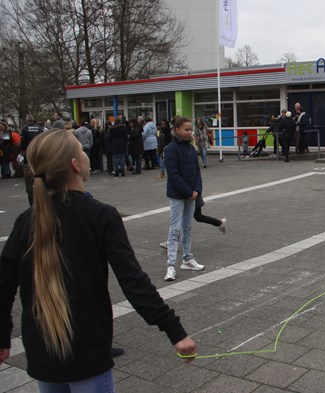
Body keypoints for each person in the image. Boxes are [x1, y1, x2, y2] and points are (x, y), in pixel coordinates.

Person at [0, 129, 197, 392]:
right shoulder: (100, 216)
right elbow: (133, 281)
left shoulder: (26, 219)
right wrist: (175, 331)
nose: (86, 153)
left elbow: (3, 285)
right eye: (81, 149)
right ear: (74, 163)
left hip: (42, 354)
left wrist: (3, 336)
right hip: (87, 352)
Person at [164, 117, 204, 281]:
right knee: (175, 230)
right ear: (177, 129)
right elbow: (173, 174)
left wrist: (197, 190)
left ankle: (187, 258)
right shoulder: (171, 149)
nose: (189, 132)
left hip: (191, 195)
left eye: (190, 129)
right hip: (178, 195)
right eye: (186, 129)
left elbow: (197, 172)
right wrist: (189, 192)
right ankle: (171, 265)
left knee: (187, 228)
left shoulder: (190, 148)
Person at [20, 115, 45, 205]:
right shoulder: (39, 128)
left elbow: (22, 142)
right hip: (38, 153)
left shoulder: (25, 129)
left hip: (28, 154)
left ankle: (32, 202)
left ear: (27, 120)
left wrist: (22, 151)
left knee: (29, 178)